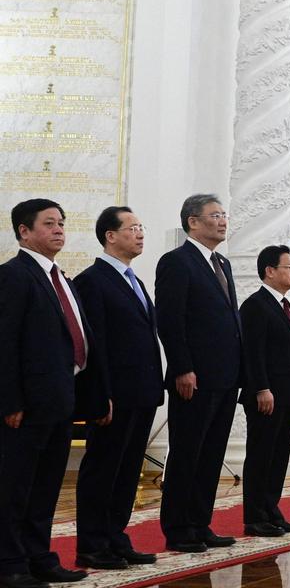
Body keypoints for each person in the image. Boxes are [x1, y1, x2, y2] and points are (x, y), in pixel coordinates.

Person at [0, 199, 97, 586]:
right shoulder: (14, 275)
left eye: (62, 222)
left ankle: (39, 555)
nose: (59, 229)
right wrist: (10, 401)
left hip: (59, 400)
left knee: (46, 487)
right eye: (49, 224)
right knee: (14, 487)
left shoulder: (62, 279)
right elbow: (5, 345)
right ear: (24, 231)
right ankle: (9, 563)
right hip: (26, 406)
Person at [72, 207, 163, 569]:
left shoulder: (133, 280)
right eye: (133, 228)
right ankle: (91, 544)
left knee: (127, 471)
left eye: (142, 227)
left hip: (140, 393)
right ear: (110, 235)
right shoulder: (93, 281)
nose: (140, 234)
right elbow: (97, 346)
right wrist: (100, 395)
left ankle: (115, 537)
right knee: (102, 469)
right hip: (113, 397)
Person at [156, 194, 241, 553]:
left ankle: (200, 522)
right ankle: (178, 528)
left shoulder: (221, 262)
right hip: (194, 377)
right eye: (214, 215)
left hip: (224, 376)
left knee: (211, 454)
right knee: (187, 452)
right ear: (193, 222)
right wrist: (183, 367)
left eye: (223, 215)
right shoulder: (177, 262)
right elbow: (171, 320)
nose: (222, 221)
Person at [239, 246, 290, 537]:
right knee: (261, 455)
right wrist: (262, 388)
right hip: (266, 396)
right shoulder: (255, 305)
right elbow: (253, 353)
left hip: (288, 395)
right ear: (269, 271)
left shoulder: (286, 305)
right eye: (289, 267)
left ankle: (271, 509)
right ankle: (255, 516)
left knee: (278, 456)